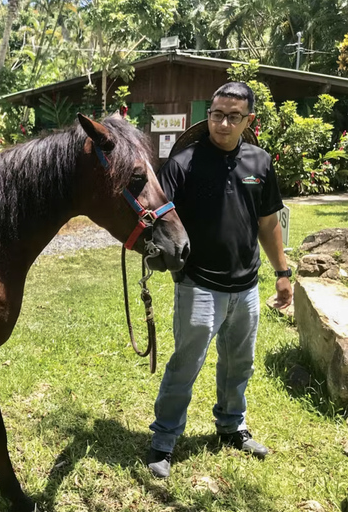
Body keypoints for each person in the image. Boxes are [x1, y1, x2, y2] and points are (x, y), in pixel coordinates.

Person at [146, 82, 293, 478]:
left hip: (246, 285)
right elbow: (157, 218)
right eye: (216, 114)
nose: (223, 123)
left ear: (249, 120)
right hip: (198, 284)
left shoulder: (259, 163)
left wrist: (282, 273)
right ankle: (163, 439)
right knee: (186, 363)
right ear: (208, 114)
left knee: (239, 363)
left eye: (233, 116)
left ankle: (232, 426)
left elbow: (267, 223)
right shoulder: (183, 164)